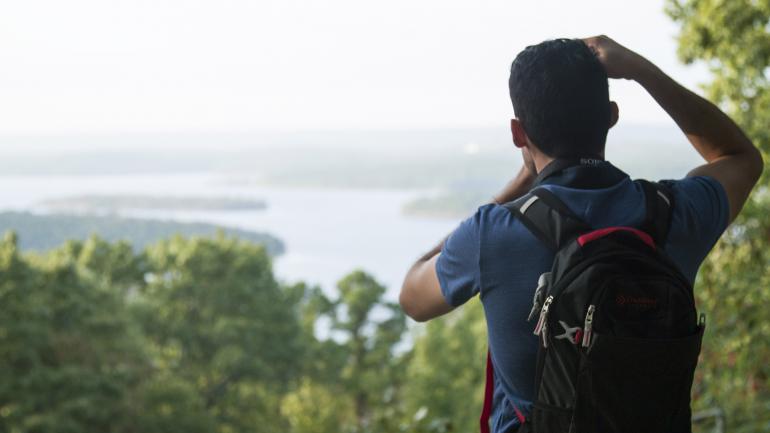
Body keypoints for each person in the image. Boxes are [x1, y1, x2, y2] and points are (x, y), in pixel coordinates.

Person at [399, 35, 763, 433]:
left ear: (519, 134)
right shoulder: (673, 214)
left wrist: (521, 182)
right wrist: (641, 71)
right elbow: (739, 157)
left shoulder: (493, 233)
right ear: (611, 115)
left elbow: (413, 297)